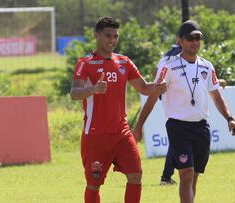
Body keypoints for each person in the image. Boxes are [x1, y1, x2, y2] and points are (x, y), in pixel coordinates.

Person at [133, 20, 235, 203]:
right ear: (180, 40)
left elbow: (216, 96)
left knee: (194, 176)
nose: (195, 42)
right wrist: (139, 125)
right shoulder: (169, 67)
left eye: (198, 38)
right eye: (191, 38)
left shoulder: (207, 66)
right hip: (178, 127)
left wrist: (229, 118)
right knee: (186, 174)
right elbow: (152, 97)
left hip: (201, 128)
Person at [70, 16, 167, 203]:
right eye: (108, 35)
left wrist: (158, 86)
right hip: (96, 136)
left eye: (116, 36)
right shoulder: (85, 62)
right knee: (94, 184)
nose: (112, 40)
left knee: (136, 175)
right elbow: (74, 93)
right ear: (96, 35)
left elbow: (145, 88)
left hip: (122, 133)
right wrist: (93, 89)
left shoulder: (124, 62)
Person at [133, 45, 228, 186]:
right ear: (182, 42)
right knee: (178, 147)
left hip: (188, 113)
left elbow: (157, 73)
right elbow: (159, 76)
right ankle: (166, 176)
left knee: (177, 148)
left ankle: (166, 176)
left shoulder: (171, 56)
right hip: (176, 108)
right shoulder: (172, 60)